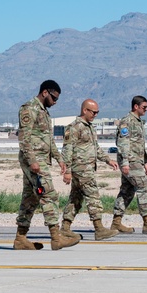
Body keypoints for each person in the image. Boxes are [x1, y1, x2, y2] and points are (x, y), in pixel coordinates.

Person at [14, 80, 79, 251]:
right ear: (45, 93)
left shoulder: (44, 112)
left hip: (41, 160)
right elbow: (24, 138)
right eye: (54, 98)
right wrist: (33, 161)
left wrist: (59, 159)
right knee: (49, 195)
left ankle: (20, 238)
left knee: (30, 199)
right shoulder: (29, 109)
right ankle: (56, 238)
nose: (55, 102)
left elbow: (48, 141)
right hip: (34, 161)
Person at [60, 99, 120, 241]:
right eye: (93, 112)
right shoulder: (74, 127)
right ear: (85, 110)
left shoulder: (90, 127)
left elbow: (95, 148)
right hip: (81, 169)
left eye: (97, 112)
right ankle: (99, 229)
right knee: (93, 197)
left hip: (87, 168)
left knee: (76, 199)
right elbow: (67, 150)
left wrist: (107, 160)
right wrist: (67, 171)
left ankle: (65, 228)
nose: (95, 115)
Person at [112, 95, 147, 234]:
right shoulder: (127, 121)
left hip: (136, 161)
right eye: (144, 107)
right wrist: (124, 163)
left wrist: (146, 162)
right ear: (136, 106)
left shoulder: (138, 121)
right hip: (130, 161)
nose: (146, 110)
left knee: (127, 191)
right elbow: (123, 143)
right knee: (144, 188)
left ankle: (116, 222)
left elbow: (139, 144)